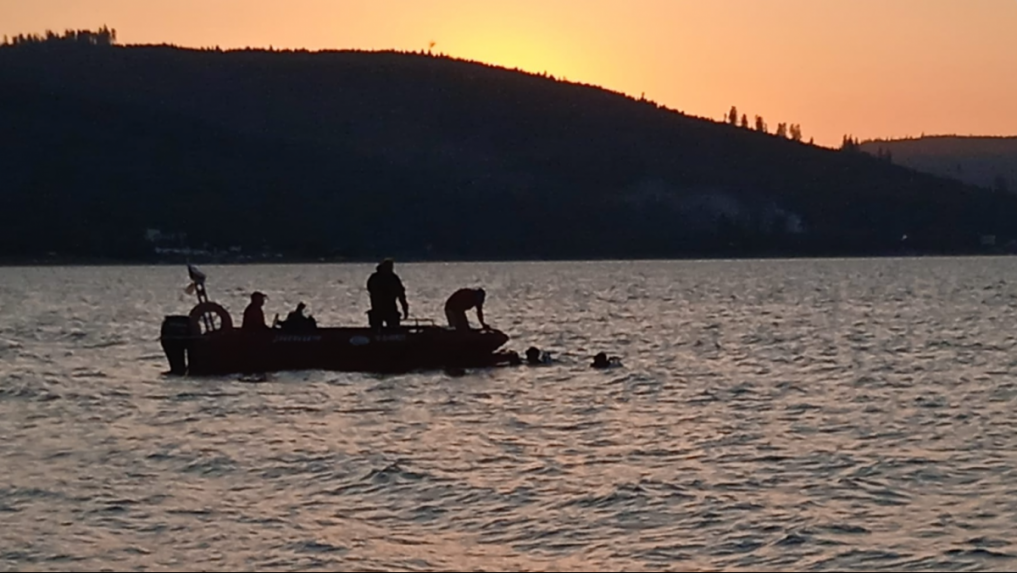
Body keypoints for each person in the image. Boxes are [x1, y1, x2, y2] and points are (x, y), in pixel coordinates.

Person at [366, 258, 408, 328]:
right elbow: (401, 295)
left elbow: (401, 295)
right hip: (380, 309)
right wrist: (405, 309)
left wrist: (405, 308)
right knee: (388, 327)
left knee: (392, 327)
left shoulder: (375, 278)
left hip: (386, 308)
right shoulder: (391, 278)